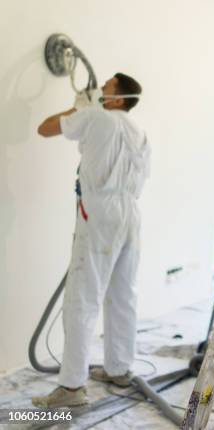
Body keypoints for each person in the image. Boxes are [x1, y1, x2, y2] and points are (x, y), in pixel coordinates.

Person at [32, 73, 150, 408]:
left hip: (100, 213)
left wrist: (78, 106)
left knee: (81, 299)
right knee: (122, 293)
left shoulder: (98, 115)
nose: (100, 89)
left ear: (115, 99)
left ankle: (71, 389)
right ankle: (119, 369)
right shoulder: (138, 131)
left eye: (107, 86)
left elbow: (44, 128)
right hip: (130, 214)